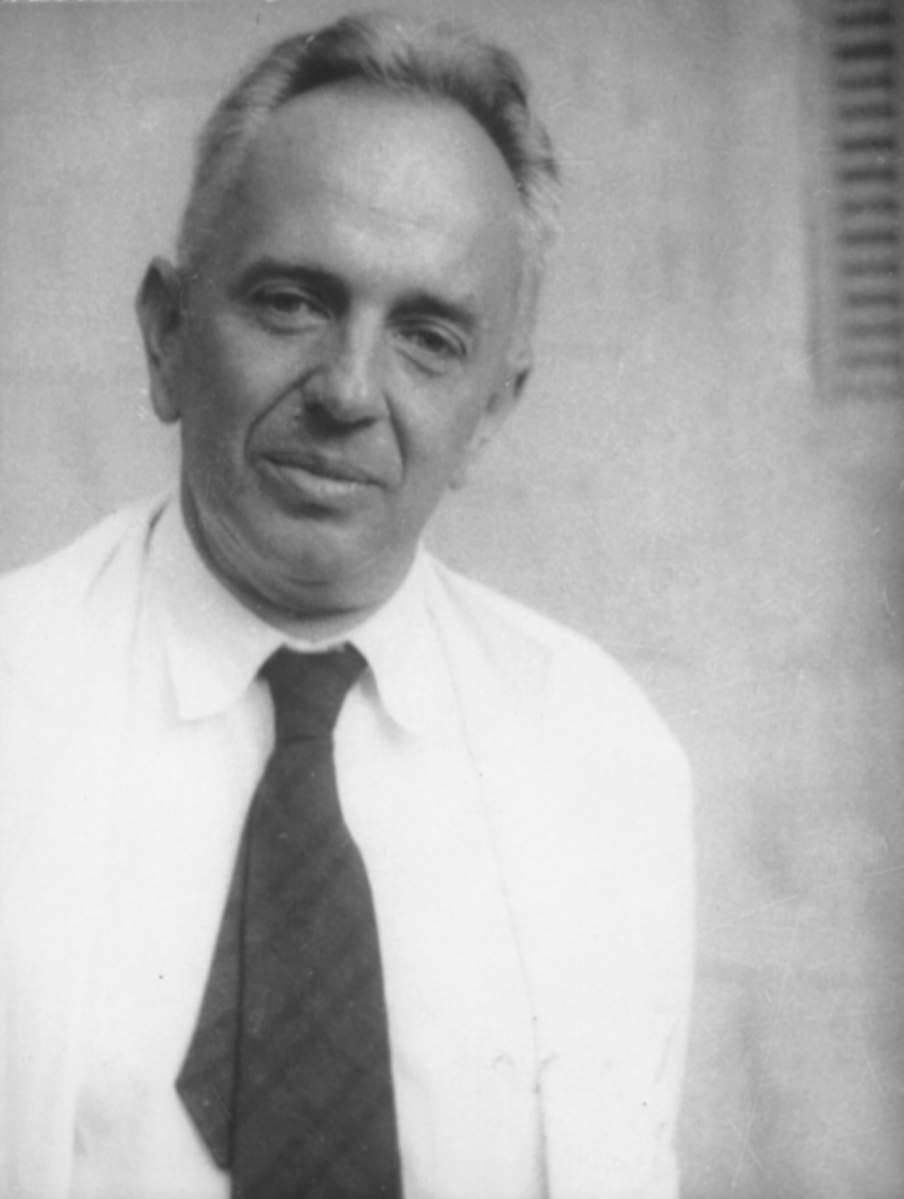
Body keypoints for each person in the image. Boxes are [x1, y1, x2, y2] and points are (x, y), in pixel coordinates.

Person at [0, 13, 694, 1199]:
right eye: (289, 302)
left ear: (490, 410)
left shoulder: (599, 752)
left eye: (428, 338)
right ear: (167, 337)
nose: (348, 390)